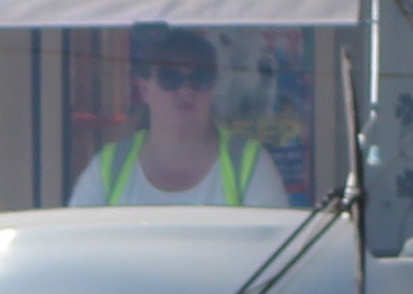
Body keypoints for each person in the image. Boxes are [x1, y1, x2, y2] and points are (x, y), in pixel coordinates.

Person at [67, 25, 283, 207]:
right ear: (144, 89)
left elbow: (276, 247)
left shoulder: (249, 163)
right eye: (170, 77)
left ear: (213, 87)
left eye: (200, 77)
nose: (186, 90)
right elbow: (76, 246)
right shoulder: (109, 167)